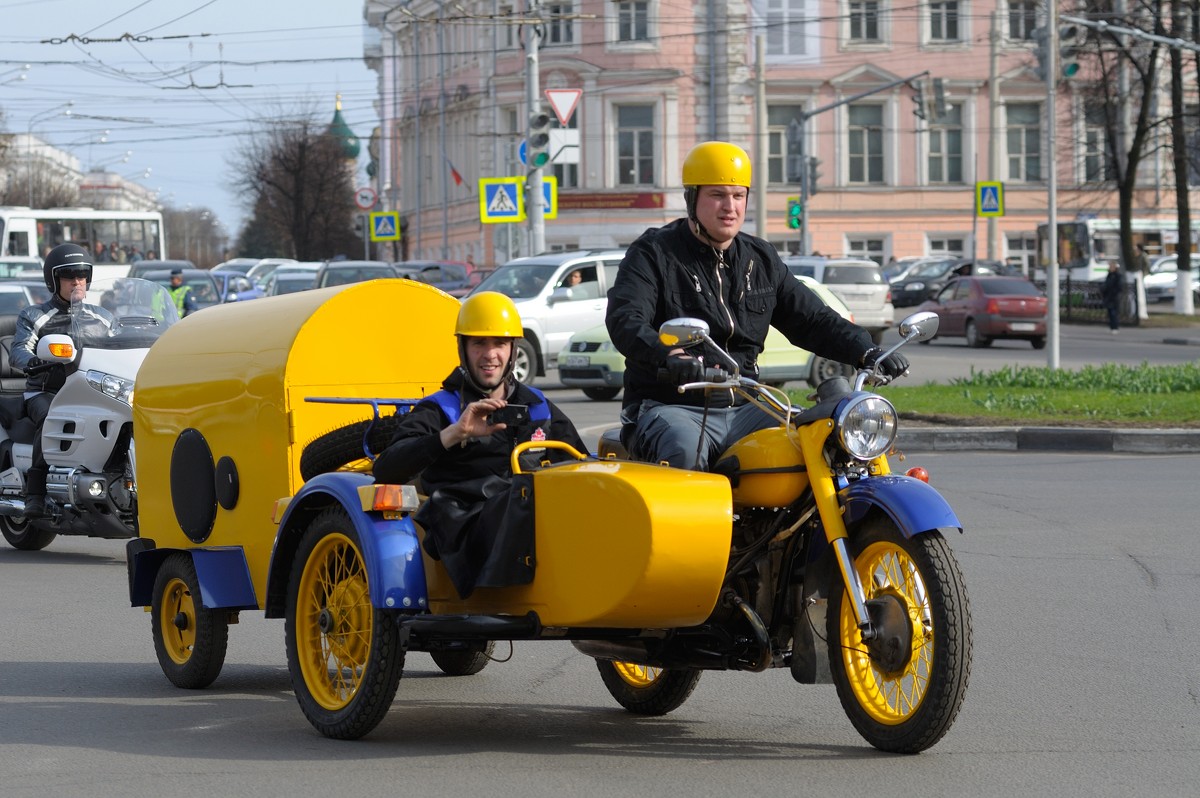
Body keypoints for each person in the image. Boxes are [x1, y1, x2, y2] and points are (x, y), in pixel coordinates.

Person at [605, 141, 909, 471]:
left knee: (822, 446)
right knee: (685, 456)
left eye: (738, 195)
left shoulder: (759, 259)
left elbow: (811, 318)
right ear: (692, 198)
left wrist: (867, 350)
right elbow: (626, 319)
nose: (729, 207)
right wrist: (669, 355)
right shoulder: (655, 253)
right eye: (717, 195)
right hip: (671, 405)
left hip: (748, 404)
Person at [372, 291, 587, 598]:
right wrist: (455, 433)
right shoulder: (440, 408)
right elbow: (387, 468)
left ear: (512, 350)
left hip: (532, 523)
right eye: (479, 344)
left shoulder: (538, 406)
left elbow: (580, 461)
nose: (490, 355)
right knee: (516, 501)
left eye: (499, 344)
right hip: (464, 527)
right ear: (463, 349)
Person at [11, 243, 115, 517]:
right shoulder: (35, 316)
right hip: (47, 393)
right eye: (69, 277)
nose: (77, 282)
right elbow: (19, 350)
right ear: (53, 281)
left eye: (82, 276)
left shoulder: (103, 318)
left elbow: (120, 347)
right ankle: (36, 493)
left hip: (89, 392)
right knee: (52, 419)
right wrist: (33, 361)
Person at [1102, 261, 1124, 334]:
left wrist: (1114, 292)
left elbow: (1119, 286)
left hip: (1114, 297)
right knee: (1110, 312)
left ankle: (1115, 327)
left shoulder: (1117, 276)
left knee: (1114, 313)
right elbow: (1106, 284)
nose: (1110, 268)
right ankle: (1111, 327)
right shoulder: (1109, 275)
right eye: (1110, 266)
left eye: (1111, 267)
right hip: (1109, 296)